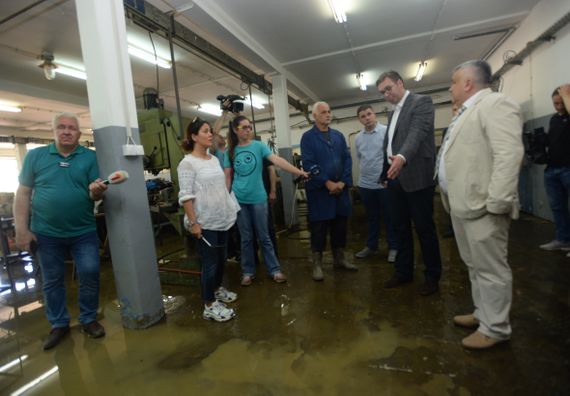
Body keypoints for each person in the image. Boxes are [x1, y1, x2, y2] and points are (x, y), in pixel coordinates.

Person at [440, 60, 523, 349]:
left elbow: (509, 154)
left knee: (491, 269)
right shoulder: (466, 112)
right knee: (475, 266)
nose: (450, 87)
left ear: (467, 83)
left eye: (453, 81)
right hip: (463, 205)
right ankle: (482, 314)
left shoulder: (495, 104)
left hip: (484, 206)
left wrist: (498, 202)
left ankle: (496, 328)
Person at [14, 112, 108, 350]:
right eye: (61, 127)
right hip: (46, 233)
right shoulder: (36, 156)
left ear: (79, 132)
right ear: (53, 131)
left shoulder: (90, 157)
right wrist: (21, 229)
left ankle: (88, 319)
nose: (66, 131)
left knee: (90, 272)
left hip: (83, 230)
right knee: (52, 280)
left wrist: (97, 192)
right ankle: (59, 324)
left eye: (72, 128)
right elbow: (23, 193)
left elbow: (92, 193)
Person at [376, 71, 442, 296]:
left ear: (400, 83)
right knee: (400, 228)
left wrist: (402, 158)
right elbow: (389, 145)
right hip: (395, 178)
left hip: (417, 177)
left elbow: (416, 134)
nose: (386, 94)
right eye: (382, 92)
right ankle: (403, 272)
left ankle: (432, 276)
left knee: (424, 229)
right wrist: (385, 172)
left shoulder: (420, 102)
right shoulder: (393, 112)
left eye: (388, 89)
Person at [224, 115, 307, 286]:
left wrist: (298, 172)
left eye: (249, 127)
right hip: (239, 198)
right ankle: (248, 272)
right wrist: (227, 199)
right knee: (246, 238)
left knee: (264, 236)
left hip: (258, 198)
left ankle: (275, 270)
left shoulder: (259, 146)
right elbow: (227, 177)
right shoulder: (230, 152)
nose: (248, 130)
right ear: (235, 130)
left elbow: (278, 160)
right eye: (244, 127)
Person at [178, 117, 240, 322]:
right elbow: (186, 196)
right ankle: (209, 304)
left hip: (221, 217)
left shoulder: (213, 159)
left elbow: (220, 188)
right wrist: (194, 222)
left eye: (210, 131)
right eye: (206, 131)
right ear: (194, 136)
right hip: (204, 221)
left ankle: (216, 289)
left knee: (222, 259)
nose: (210, 134)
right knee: (210, 264)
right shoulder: (187, 163)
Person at [301, 101, 357, 281]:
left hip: (340, 190)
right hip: (320, 192)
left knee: (340, 226)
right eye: (323, 112)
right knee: (319, 228)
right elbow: (309, 164)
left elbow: (347, 160)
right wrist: (326, 182)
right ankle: (317, 263)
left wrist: (342, 182)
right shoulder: (308, 138)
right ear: (314, 116)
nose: (328, 114)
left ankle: (339, 259)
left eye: (329, 111)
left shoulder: (339, 136)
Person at [354, 104, 397, 262]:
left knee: (389, 217)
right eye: (363, 116)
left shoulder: (386, 132)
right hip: (365, 185)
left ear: (374, 114)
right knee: (372, 217)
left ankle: (393, 247)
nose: (367, 118)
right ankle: (371, 246)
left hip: (384, 184)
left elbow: (392, 156)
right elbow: (360, 158)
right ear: (359, 120)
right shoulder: (358, 138)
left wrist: (388, 178)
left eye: (369, 114)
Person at [539, 85, 570, 253]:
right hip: (552, 170)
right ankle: (563, 239)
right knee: (558, 207)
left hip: (568, 168)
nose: (559, 107)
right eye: (555, 103)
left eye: (562, 102)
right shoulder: (554, 119)